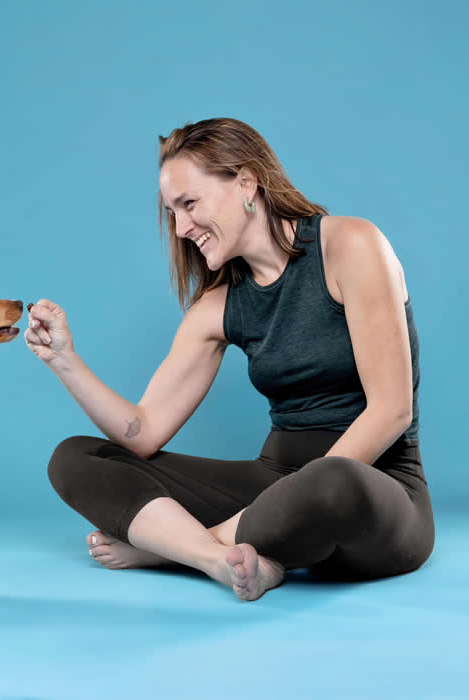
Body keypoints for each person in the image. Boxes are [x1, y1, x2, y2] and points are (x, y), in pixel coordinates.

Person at [24, 117, 434, 601]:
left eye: (189, 204)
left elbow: (392, 410)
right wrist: (64, 360)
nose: (180, 229)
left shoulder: (351, 245)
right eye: (172, 212)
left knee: (329, 479)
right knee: (75, 457)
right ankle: (220, 561)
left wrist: (207, 532)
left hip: (372, 491)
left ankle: (179, 549)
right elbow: (144, 431)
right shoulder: (218, 307)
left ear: (245, 182)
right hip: (270, 482)